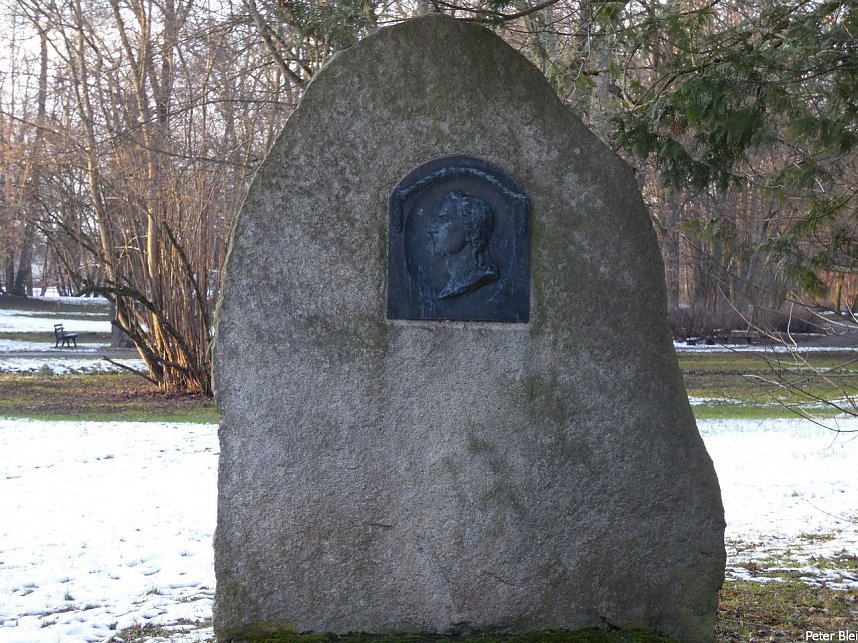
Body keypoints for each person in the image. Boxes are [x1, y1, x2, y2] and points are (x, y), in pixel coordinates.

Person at [427, 190, 499, 299]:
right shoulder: (453, 285)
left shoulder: (478, 279)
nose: (431, 229)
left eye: (445, 220)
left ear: (472, 232)